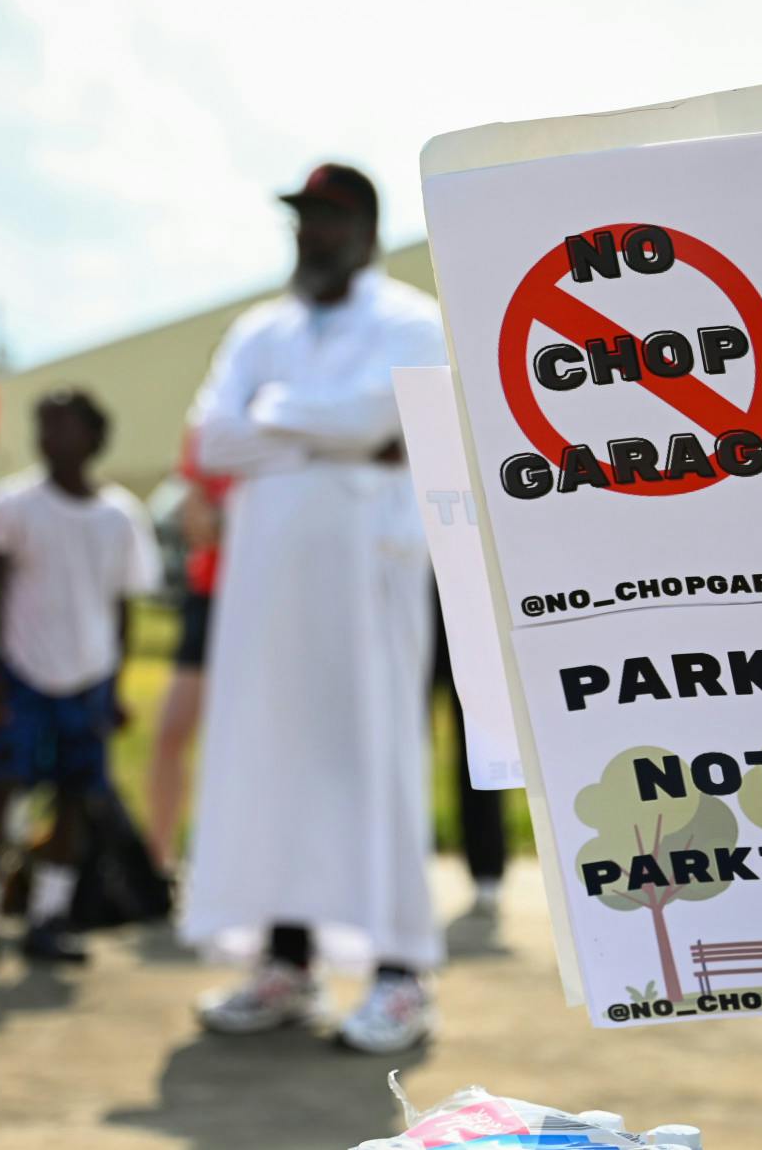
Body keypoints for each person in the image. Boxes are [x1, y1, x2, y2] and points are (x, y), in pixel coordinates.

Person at [182, 163, 447, 1055]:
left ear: (367, 230)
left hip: (368, 587)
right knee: (274, 761)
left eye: (328, 220)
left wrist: (280, 420)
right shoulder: (259, 328)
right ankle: (286, 962)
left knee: (373, 762)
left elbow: (389, 418)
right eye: (301, 220)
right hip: (265, 593)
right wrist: (328, 433)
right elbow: (214, 435)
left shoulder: (411, 320)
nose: (310, 236)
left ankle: (401, 976)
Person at [0, 389, 160, 963]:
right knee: (0, 795)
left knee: (76, 799)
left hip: (88, 676)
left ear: (93, 438)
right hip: (24, 673)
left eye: (64, 427)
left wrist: (116, 685)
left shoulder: (120, 515)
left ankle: (49, 915)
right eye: (43, 426)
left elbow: (122, 605)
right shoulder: (12, 505)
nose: (50, 439)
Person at [143, 430, 229, 875]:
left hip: (278, 600)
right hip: (211, 597)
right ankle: (160, 865)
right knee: (172, 732)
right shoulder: (210, 428)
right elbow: (200, 525)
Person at [432, 583, 506, 919]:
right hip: (402, 579)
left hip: (463, 594)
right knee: (397, 753)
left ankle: (487, 874)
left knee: (478, 743)